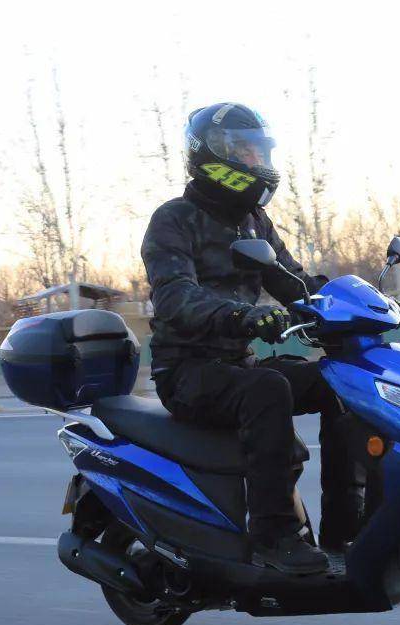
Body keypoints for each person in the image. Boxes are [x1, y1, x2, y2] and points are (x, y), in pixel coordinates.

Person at [141, 102, 357, 574]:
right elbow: (176, 297)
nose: (258, 161)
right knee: (268, 389)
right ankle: (273, 536)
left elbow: (295, 283)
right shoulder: (174, 219)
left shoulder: (254, 222)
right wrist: (244, 316)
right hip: (186, 372)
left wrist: (352, 305)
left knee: (343, 383)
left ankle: (348, 524)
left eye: (261, 151)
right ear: (213, 155)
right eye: (246, 151)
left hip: (238, 365)